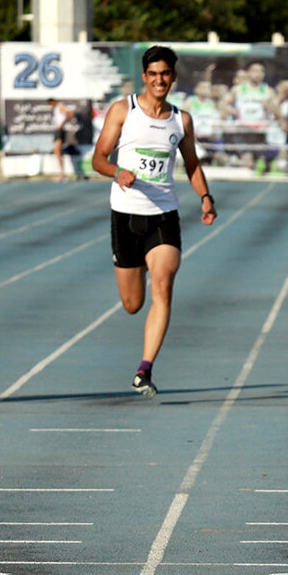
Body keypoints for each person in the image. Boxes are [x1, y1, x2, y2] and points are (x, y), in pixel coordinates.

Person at [91, 46, 217, 397]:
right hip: (127, 216)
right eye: (153, 74)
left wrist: (205, 197)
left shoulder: (181, 120)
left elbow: (191, 163)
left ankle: (144, 370)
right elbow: (98, 159)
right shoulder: (123, 110)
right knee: (133, 304)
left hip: (164, 215)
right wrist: (118, 171)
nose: (160, 80)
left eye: (166, 74)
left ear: (173, 77)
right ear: (145, 77)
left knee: (163, 286)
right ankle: (138, 265)